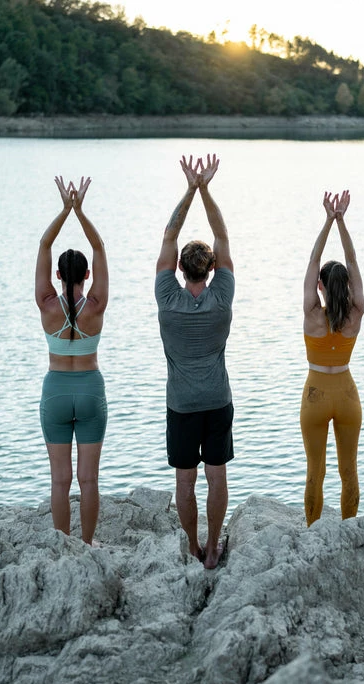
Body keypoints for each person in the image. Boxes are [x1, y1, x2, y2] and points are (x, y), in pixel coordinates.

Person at [155, 154, 234, 569]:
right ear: (213, 269)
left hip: (182, 405)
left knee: (185, 480)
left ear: (178, 269)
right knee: (215, 475)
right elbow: (222, 235)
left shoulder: (168, 301)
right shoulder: (222, 300)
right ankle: (215, 545)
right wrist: (207, 190)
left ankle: (192, 544)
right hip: (217, 400)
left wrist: (189, 188)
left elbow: (169, 237)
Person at [35, 176, 108, 545]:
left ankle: (63, 546)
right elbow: (99, 246)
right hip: (91, 390)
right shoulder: (95, 306)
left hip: (57, 391)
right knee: (89, 480)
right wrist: (81, 212)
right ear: (87, 276)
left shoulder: (48, 304)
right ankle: (89, 545)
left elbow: (45, 243)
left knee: (60, 480)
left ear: (59, 275)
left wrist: (65, 209)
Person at [301, 190, 364, 526]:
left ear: (322, 287)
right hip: (347, 395)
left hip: (315, 395)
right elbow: (352, 261)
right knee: (348, 471)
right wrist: (343, 222)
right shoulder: (356, 313)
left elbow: (313, 262)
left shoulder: (312, 313)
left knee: (316, 471)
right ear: (348, 288)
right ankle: (348, 533)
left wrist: (327, 220)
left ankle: (312, 532)